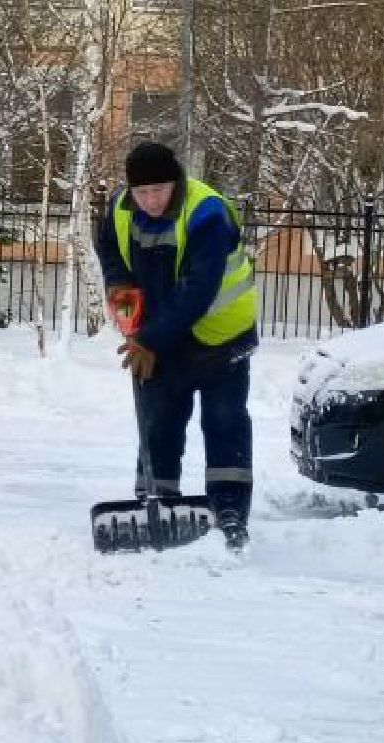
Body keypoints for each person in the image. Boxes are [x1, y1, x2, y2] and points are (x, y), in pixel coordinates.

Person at [93, 141, 261, 550]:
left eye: (159, 191)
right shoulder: (119, 208)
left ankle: (229, 512)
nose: (150, 200)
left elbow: (198, 291)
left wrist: (149, 338)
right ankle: (156, 501)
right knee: (159, 423)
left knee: (224, 423)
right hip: (162, 339)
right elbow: (113, 259)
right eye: (142, 193)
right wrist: (125, 307)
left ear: (176, 183)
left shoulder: (208, 213)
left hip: (221, 338)